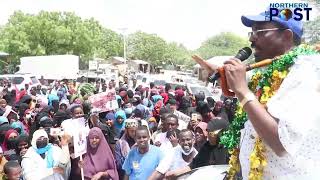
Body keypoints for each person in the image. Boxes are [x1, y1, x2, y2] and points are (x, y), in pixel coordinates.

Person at [218, 9, 320, 179]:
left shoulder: (308, 72)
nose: (251, 38)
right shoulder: (269, 73)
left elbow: (280, 143)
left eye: (260, 31)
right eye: (252, 31)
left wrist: (243, 91)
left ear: (287, 36)